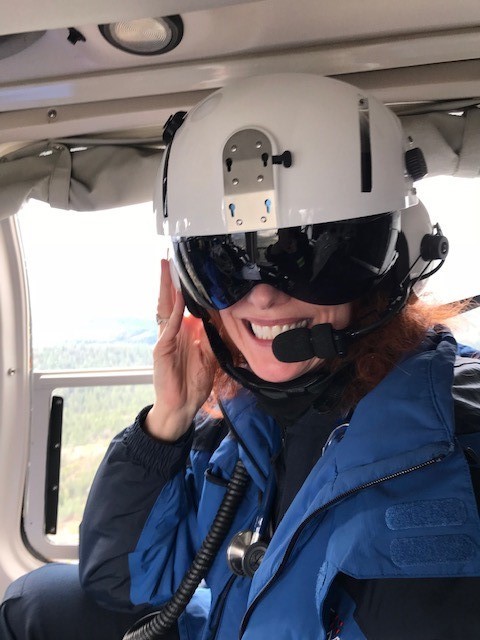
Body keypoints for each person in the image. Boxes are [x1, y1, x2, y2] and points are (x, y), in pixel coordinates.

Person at [2, 73, 480, 640]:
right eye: (223, 260)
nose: (260, 295)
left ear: (390, 266)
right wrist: (167, 425)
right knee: (36, 603)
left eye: (308, 253)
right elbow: (123, 581)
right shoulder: (252, 413)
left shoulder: (456, 436)